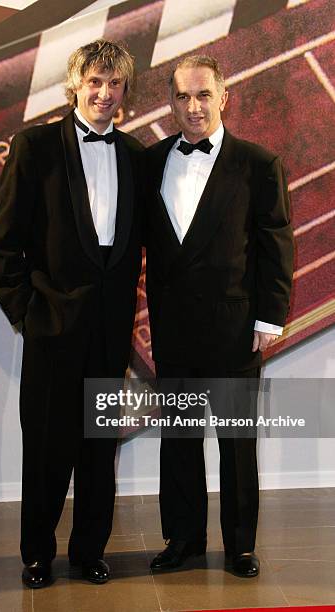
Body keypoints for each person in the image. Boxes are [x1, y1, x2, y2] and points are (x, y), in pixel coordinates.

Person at [0, 39, 143, 588]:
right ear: (75, 85)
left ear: (125, 90)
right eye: (95, 82)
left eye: (114, 83)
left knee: (99, 453)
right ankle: (37, 554)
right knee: (48, 450)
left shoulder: (134, 154)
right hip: (51, 329)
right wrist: (26, 312)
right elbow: (5, 242)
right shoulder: (34, 147)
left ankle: (89, 552)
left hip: (109, 333)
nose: (104, 93)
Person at [145, 55, 293, 577]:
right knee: (179, 440)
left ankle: (239, 546)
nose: (193, 106)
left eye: (203, 95)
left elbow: (277, 247)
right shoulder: (150, 161)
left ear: (224, 96)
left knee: (236, 444)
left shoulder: (258, 163)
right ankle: (183, 539)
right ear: (170, 102)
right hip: (173, 330)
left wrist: (269, 320)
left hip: (235, 330)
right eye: (183, 96)